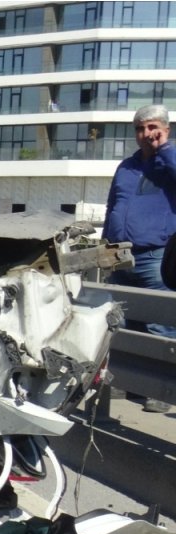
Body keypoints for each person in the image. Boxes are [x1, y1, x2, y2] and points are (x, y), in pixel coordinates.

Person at [103, 104, 176, 413]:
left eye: (152, 127)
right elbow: (113, 204)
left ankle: (163, 389)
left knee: (161, 324)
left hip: (155, 255)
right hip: (119, 255)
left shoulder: (170, 160)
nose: (146, 133)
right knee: (123, 323)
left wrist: (165, 150)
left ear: (166, 129)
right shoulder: (127, 166)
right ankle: (131, 382)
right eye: (140, 128)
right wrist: (105, 244)